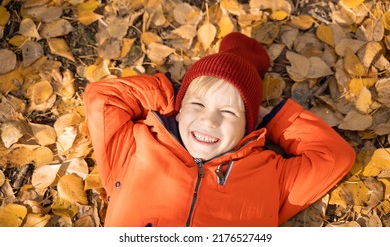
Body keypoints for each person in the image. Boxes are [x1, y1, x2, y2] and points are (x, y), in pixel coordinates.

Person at [83, 32, 356, 227]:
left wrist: (271, 120)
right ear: (179, 108)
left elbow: (334, 156)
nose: (209, 120)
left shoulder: (271, 175)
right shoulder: (135, 147)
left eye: (228, 112)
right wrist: (170, 98)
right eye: (198, 104)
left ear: (248, 125)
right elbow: (103, 98)